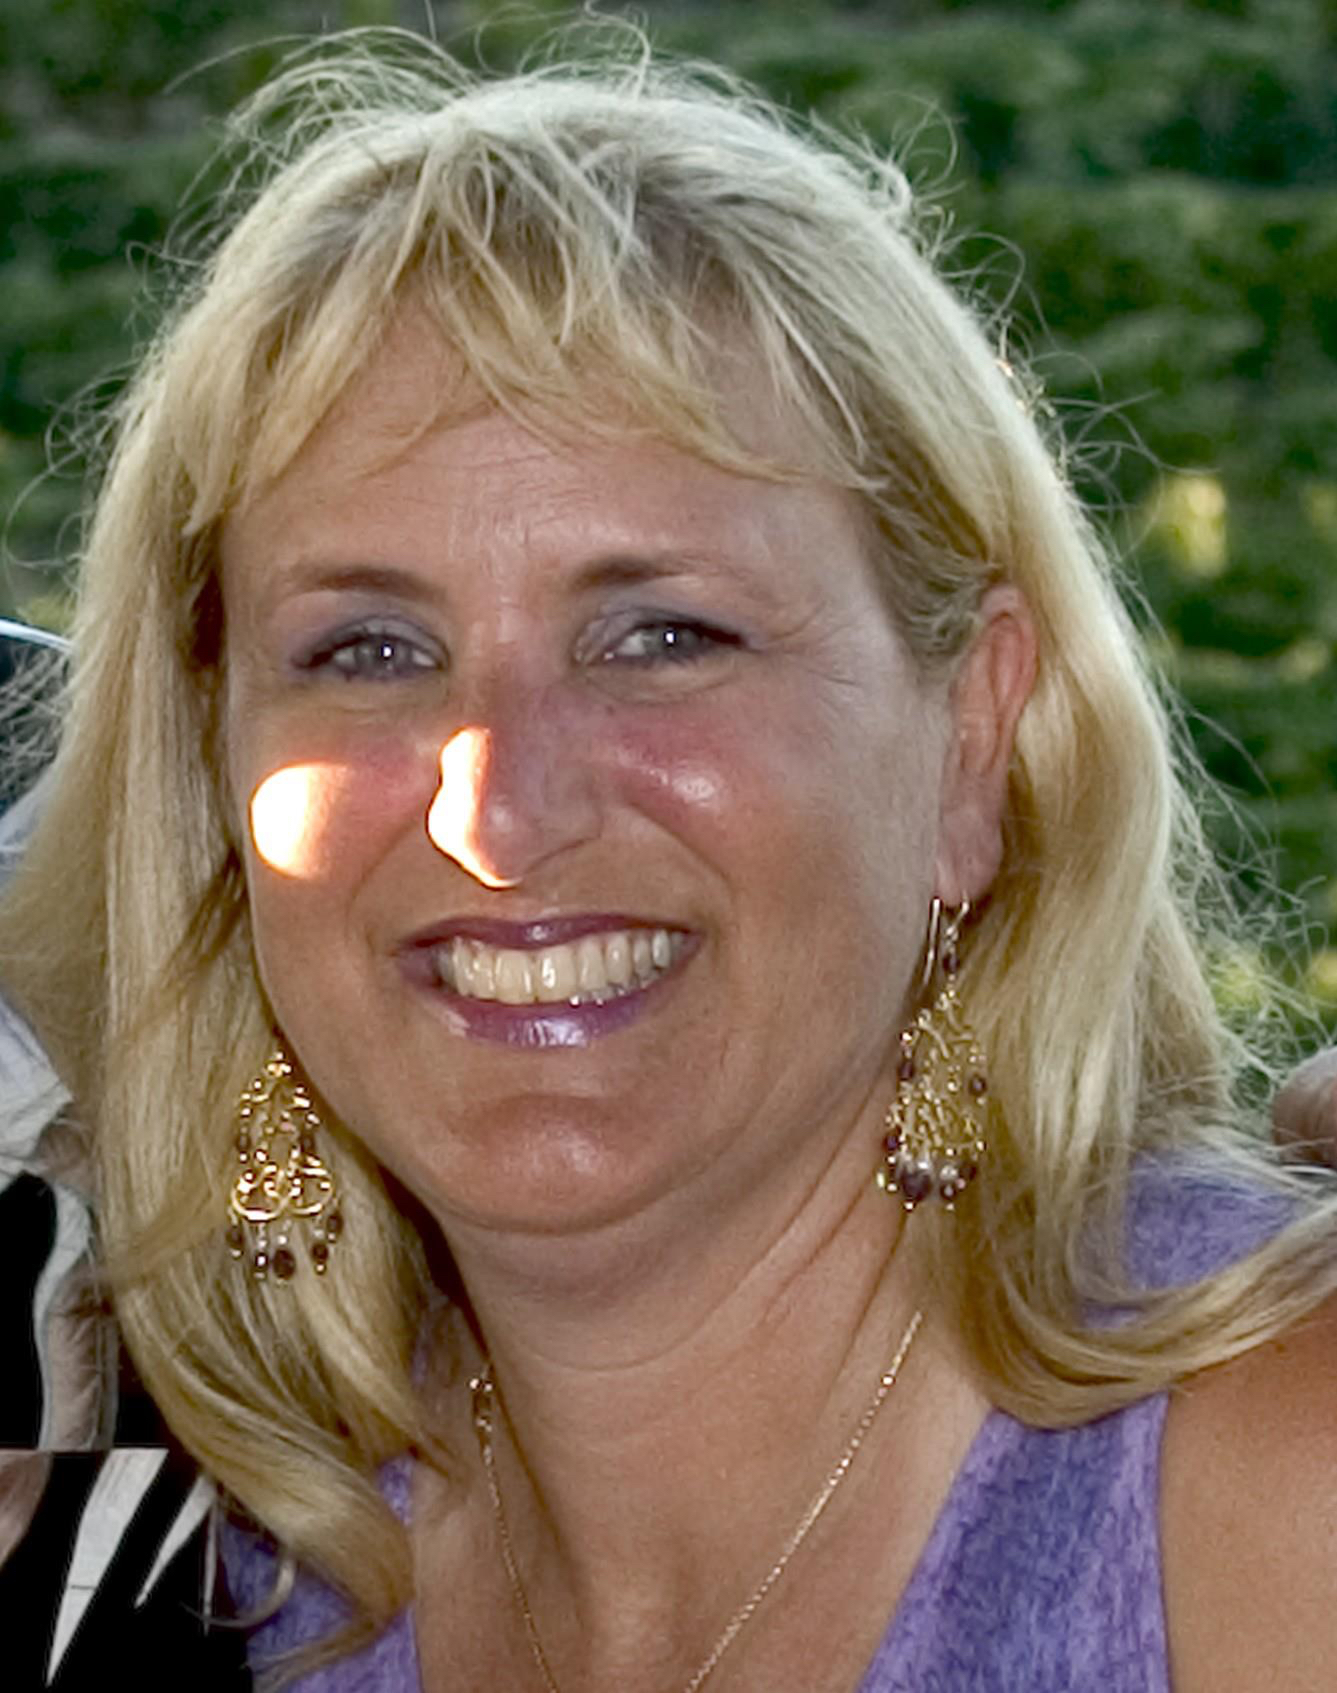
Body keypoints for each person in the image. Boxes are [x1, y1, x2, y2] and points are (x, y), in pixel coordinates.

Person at [3, 27, 1337, 1692]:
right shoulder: (204, 1583)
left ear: (971, 739)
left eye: (660, 634)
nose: (497, 811)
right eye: (367, 649)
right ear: (212, 783)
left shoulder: (1271, 1471)